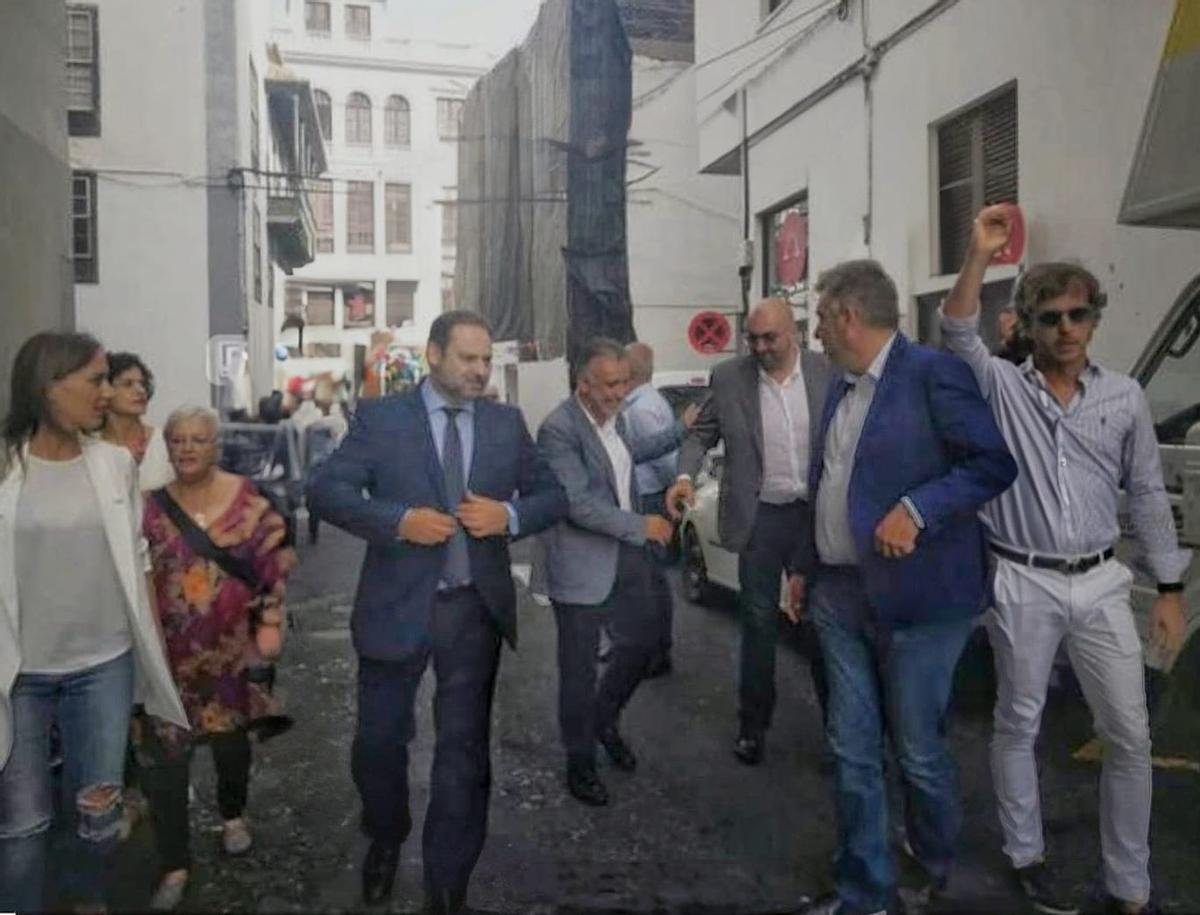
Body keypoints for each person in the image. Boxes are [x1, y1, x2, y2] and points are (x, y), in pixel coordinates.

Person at [941, 206, 1189, 915]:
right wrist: (978, 255)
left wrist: (1169, 585)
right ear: (1027, 324)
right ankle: (1026, 854)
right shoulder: (1001, 387)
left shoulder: (1124, 396)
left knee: (1130, 733)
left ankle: (1129, 883)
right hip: (1021, 578)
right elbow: (958, 330)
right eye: (1050, 318)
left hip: (1103, 580)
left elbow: (1145, 493)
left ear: (1094, 319)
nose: (1067, 329)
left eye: (1078, 315)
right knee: (1018, 721)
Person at [307, 310, 567, 914]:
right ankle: (386, 834)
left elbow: (553, 494)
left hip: (472, 610)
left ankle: (448, 882)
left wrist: (511, 517)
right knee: (378, 742)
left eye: (485, 360)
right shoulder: (381, 419)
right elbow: (326, 491)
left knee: (463, 749)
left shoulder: (505, 424)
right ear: (433, 355)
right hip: (396, 605)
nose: (480, 371)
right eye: (468, 358)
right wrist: (397, 521)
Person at [792, 261, 1016, 915]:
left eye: (819, 320)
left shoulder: (933, 373)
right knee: (851, 747)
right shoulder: (839, 387)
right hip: (838, 593)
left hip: (920, 599)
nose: (816, 334)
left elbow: (993, 462)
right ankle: (865, 891)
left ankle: (935, 871)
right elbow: (828, 484)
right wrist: (804, 568)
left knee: (918, 750)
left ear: (849, 318)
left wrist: (917, 510)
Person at [0, 332, 187, 914]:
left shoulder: (113, 466)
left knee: (97, 814)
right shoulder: (5, 465)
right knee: (22, 827)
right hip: (19, 674)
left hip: (102, 667)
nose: (107, 393)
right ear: (48, 385)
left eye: (111, 379)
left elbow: (135, 562)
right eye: (96, 379)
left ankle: (86, 898)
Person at [136, 405, 296, 911]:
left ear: (215, 445)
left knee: (231, 745)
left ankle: (232, 815)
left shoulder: (247, 500)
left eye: (197, 440)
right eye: (178, 440)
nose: (186, 448)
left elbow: (274, 565)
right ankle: (174, 861)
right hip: (167, 656)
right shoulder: (147, 506)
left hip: (230, 653)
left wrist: (269, 627)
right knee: (164, 762)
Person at [667, 297, 833, 765]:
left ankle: (843, 731)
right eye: (753, 339)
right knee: (758, 625)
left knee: (824, 625)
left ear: (793, 332)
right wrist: (684, 477)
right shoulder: (729, 378)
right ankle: (752, 727)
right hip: (759, 518)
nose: (760, 347)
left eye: (770, 338)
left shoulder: (828, 374)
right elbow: (700, 435)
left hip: (815, 517)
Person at [538, 338, 695, 807]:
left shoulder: (617, 418)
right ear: (582, 384)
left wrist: (679, 431)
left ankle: (603, 720)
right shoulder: (559, 430)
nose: (618, 393)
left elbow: (632, 452)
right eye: (608, 385)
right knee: (579, 670)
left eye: (624, 382)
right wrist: (642, 525)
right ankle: (580, 762)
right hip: (582, 560)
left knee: (643, 644)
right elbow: (577, 503)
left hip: (625, 554)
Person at [621, 342, 679, 676]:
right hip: (650, 497)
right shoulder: (644, 402)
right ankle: (652, 649)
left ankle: (657, 652)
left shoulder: (642, 409)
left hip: (650, 498)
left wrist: (674, 492)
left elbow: (663, 460)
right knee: (648, 578)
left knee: (650, 579)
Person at [102, 351, 174, 492]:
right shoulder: (89, 445)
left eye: (142, 384)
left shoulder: (166, 440)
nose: (140, 390)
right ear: (105, 390)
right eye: (127, 384)